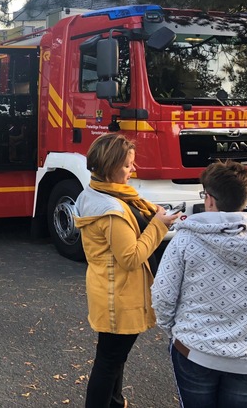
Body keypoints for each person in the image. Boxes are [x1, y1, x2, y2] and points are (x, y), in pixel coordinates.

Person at [152, 160, 247, 408]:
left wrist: (174, 330)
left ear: (210, 199)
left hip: (194, 350)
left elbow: (163, 295)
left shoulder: (184, 241)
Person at [73, 133, 178, 408]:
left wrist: (153, 215)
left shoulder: (99, 191)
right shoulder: (111, 210)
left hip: (110, 289)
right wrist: (159, 225)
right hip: (118, 295)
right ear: (109, 166)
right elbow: (131, 258)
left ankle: (115, 403)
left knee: (112, 358)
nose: (134, 169)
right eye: (128, 165)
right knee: (109, 361)